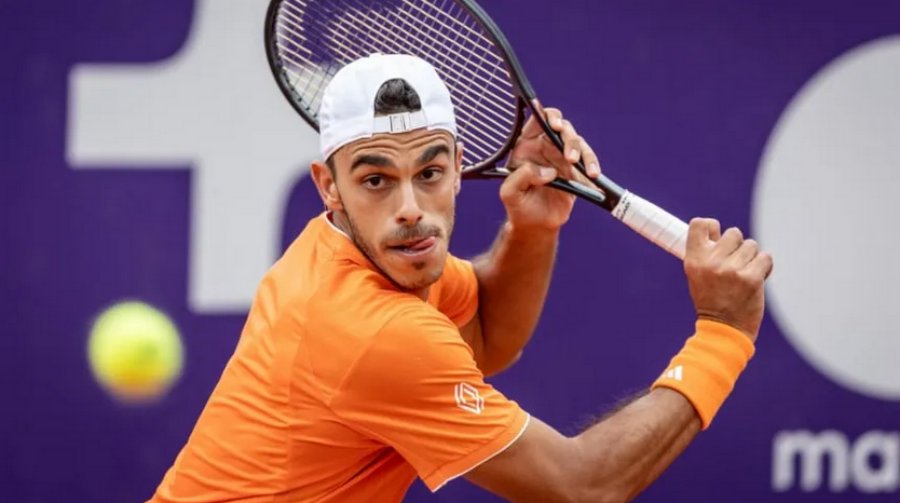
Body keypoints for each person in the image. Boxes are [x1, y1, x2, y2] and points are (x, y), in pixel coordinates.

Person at [149, 54, 773, 503]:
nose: (409, 208)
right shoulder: (371, 330)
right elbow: (583, 486)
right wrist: (723, 335)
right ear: (328, 187)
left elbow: (487, 336)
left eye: (429, 173)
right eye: (376, 180)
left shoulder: (350, 250)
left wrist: (533, 228)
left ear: (456, 168)